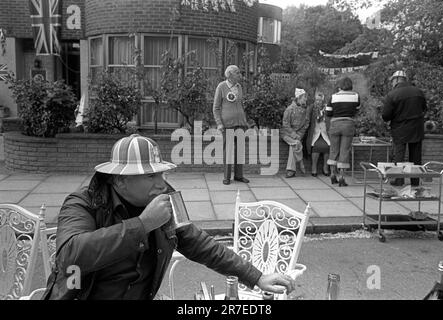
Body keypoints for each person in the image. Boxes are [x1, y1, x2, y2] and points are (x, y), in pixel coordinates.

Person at [42, 134, 295, 300]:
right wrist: (142, 225)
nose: (162, 183)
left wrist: (256, 276)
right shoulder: (84, 202)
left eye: (161, 174)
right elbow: (69, 256)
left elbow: (198, 243)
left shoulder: (167, 198)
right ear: (119, 180)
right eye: (151, 176)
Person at [382, 70, 427, 187]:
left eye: (392, 81)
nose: (392, 83)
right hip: (416, 128)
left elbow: (386, 115)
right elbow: (424, 108)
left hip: (400, 128)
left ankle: (399, 180)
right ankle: (415, 182)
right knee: (416, 156)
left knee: (399, 155)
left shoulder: (392, 94)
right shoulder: (418, 91)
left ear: (396, 80)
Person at [213, 65, 250, 185]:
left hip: (240, 124)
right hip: (227, 125)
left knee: (239, 151)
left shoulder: (239, 87)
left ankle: (239, 176)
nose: (240, 75)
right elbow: (216, 107)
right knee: (228, 151)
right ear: (230, 75)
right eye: (237, 73)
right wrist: (219, 123)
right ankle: (227, 177)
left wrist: (245, 121)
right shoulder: (222, 87)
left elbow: (241, 105)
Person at [325, 77, 360, 187]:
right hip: (348, 124)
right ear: (350, 86)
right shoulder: (356, 96)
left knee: (333, 149)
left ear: (340, 86)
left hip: (335, 124)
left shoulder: (333, 97)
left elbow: (328, 113)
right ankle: (342, 177)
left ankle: (332, 174)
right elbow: (357, 110)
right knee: (344, 150)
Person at [281, 88, 311, 178]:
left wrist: (299, 135)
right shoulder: (289, 109)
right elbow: (285, 124)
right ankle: (301, 163)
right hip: (286, 134)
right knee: (296, 143)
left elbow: (306, 124)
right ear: (298, 98)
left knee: (295, 144)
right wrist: (294, 135)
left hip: (298, 135)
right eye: (304, 98)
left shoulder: (305, 111)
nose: (306, 99)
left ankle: (291, 170)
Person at [306, 91, 331, 177]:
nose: (318, 102)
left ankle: (325, 168)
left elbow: (330, 120)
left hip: (324, 133)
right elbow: (307, 120)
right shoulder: (311, 108)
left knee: (327, 147)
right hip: (315, 133)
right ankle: (314, 168)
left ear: (323, 101)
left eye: (320, 100)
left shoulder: (327, 109)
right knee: (316, 147)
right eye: (317, 100)